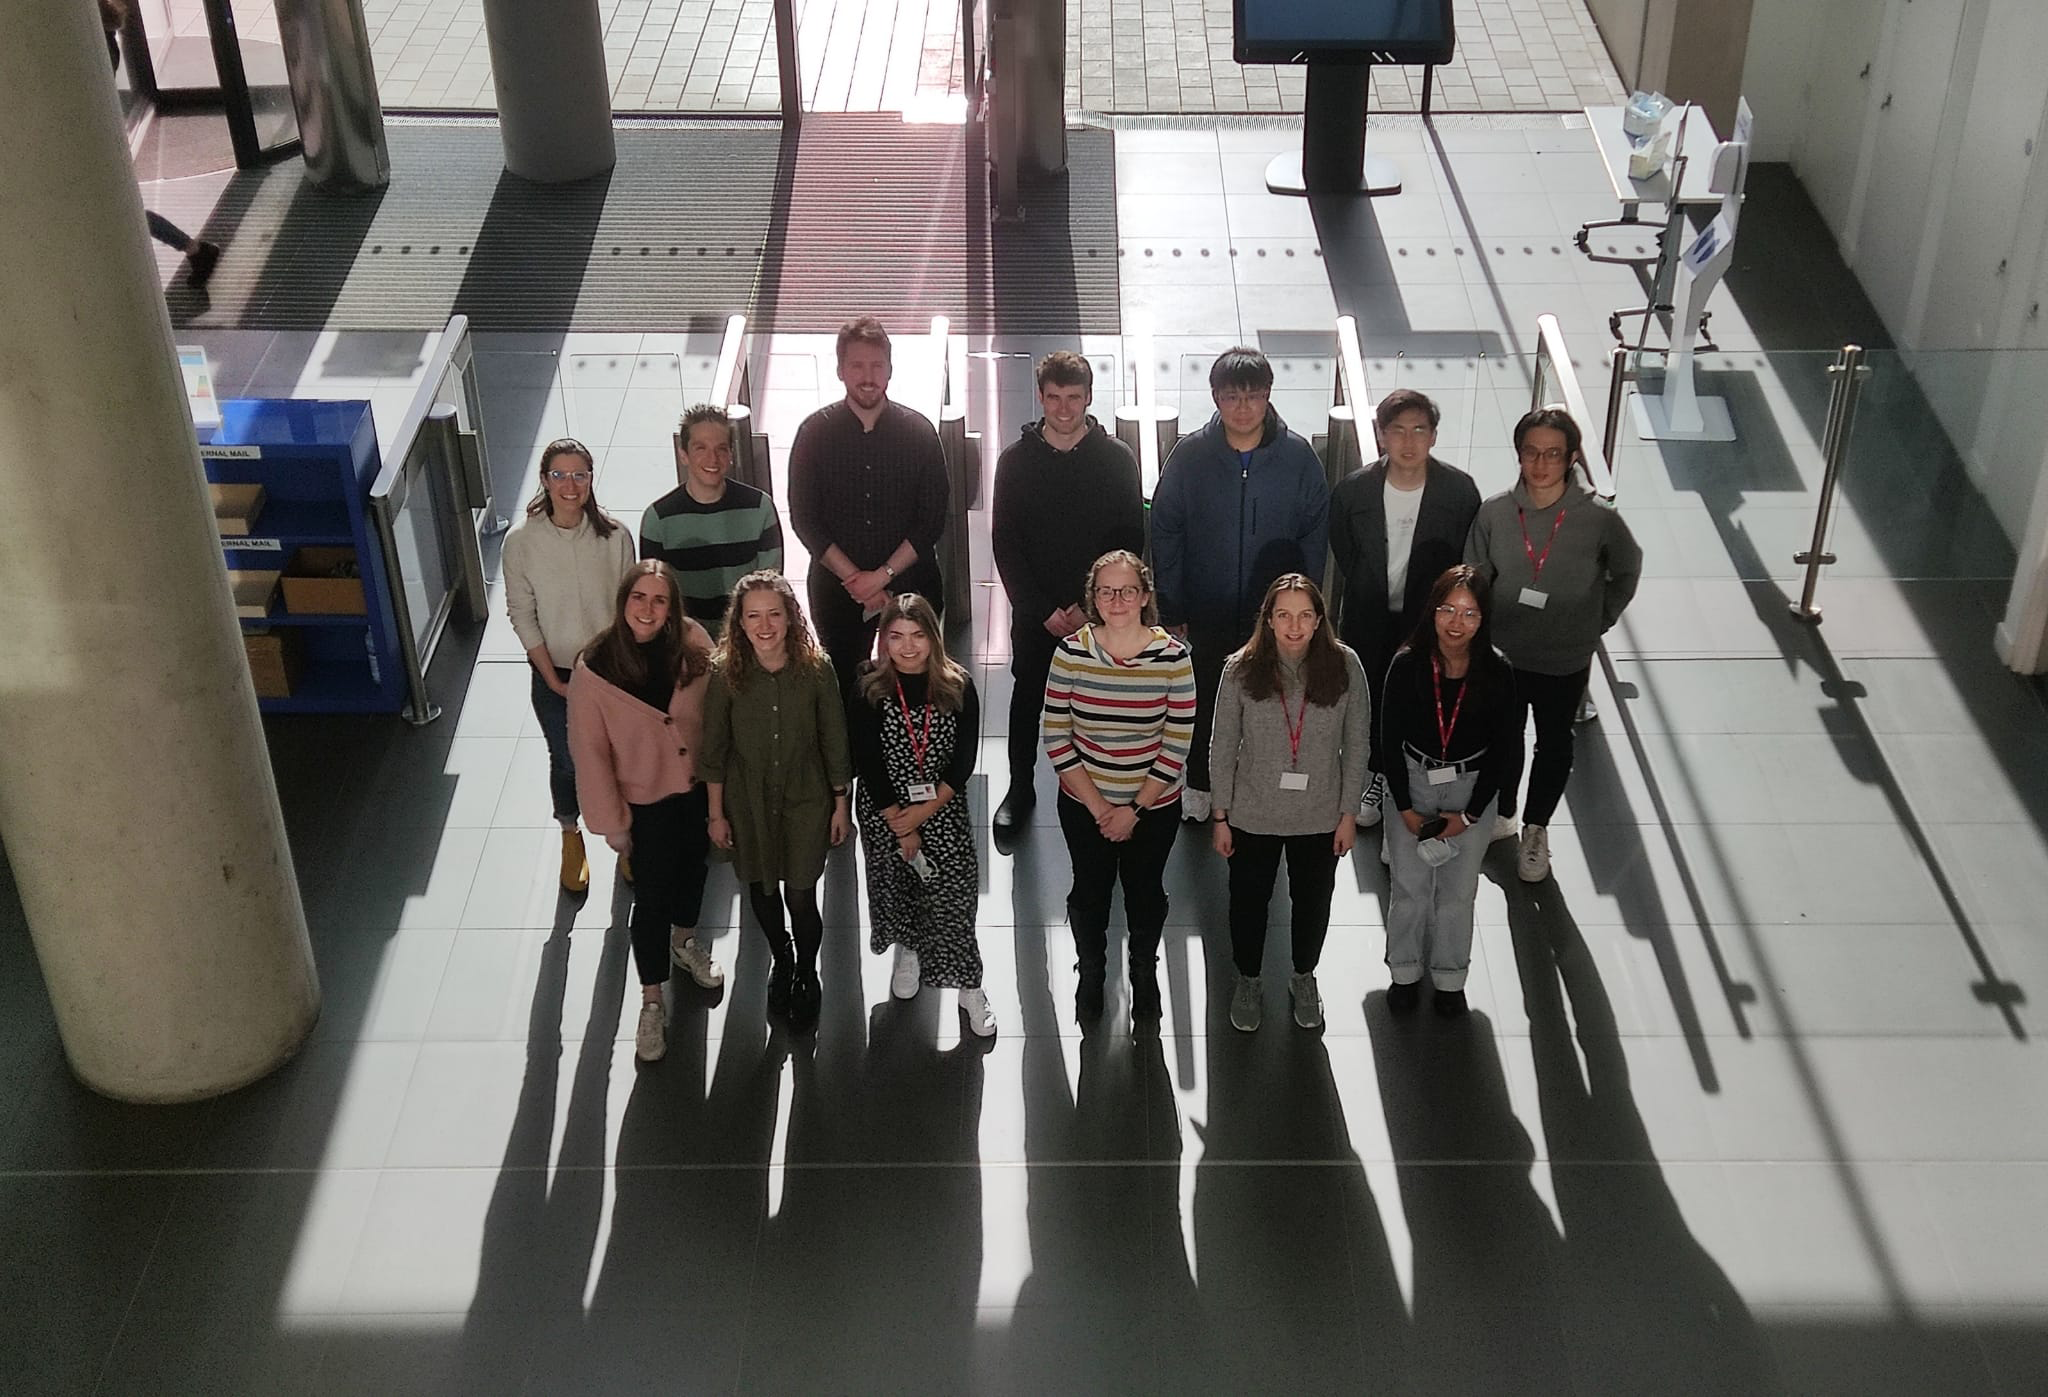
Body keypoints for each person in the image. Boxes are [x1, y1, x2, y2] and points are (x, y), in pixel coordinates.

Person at [1465, 407, 1643, 882]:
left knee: (1553, 743)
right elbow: (1476, 576)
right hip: (1503, 652)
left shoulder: (1599, 518)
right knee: (1503, 738)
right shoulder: (1496, 512)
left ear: (1570, 459)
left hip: (1564, 657)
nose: (1541, 464)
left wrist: (1597, 621)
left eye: (1553, 454)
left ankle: (1536, 828)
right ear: (1519, 455)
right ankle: (1503, 811)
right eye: (1531, 452)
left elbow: (1627, 569)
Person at [1151, 347, 1329, 820]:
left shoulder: (1298, 459)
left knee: (1270, 700)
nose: (1244, 407)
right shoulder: (1190, 456)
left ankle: (1259, 785)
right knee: (1202, 697)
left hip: (1271, 615)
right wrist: (1171, 606)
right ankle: (1201, 781)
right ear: (1216, 398)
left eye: (1254, 395)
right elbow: (1165, 529)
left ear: (1269, 395)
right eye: (1232, 397)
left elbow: (1314, 532)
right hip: (1205, 608)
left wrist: (1305, 610)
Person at [566, 562, 721, 1063]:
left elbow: (717, 714)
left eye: (660, 600)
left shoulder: (694, 641)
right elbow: (589, 755)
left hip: (696, 791)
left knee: (694, 871)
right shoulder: (595, 668)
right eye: (639, 598)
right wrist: (612, 826)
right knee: (650, 899)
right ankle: (652, 998)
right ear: (623, 601)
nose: (649, 610)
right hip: (643, 804)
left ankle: (686, 941)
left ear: (672, 607)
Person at [989, 350, 1146, 845]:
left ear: (1089, 398)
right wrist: (1038, 608)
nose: (1062, 408)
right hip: (1038, 616)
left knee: (1106, 703)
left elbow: (1128, 538)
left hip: (1102, 615)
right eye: (1053, 397)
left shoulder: (1117, 459)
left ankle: (1109, 792)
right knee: (1027, 699)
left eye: (1073, 398)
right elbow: (1005, 539)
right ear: (1040, 397)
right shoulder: (1014, 462)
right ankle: (1019, 788)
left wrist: (1091, 607)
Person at [1208, 574, 1371, 1032]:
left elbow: (1357, 743)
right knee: (1248, 902)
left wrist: (1348, 814)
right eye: (1284, 615)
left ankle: (1304, 975)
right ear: (1269, 619)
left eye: (1304, 615)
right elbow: (1222, 746)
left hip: (1320, 816)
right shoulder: (1240, 669)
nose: (1294, 626)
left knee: (1314, 902)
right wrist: (1220, 815)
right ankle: (1248, 978)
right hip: (1252, 814)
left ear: (1319, 620)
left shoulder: (1345, 666)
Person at [1041, 550, 1196, 1025]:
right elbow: (1056, 734)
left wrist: (1133, 809)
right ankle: (1092, 971)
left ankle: (1143, 971)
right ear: (1093, 597)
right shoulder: (1070, 652)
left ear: (1145, 595)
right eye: (1106, 590)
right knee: (1089, 893)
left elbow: (1177, 743)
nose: (1117, 599)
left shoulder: (1173, 658)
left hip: (1153, 807)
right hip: (1084, 806)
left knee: (1145, 893)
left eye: (1128, 589)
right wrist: (1099, 808)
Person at [700, 571, 853, 1031]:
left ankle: (807, 971)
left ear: (790, 617)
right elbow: (714, 747)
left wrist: (840, 803)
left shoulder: (817, 668)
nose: (764, 625)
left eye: (773, 614)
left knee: (802, 894)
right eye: (753, 616)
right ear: (739, 623)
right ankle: (781, 958)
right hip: (746, 802)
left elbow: (834, 739)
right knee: (762, 889)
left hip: (807, 798)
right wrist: (715, 814)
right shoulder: (724, 671)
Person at [1328, 389, 1480, 826]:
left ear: (1433, 436)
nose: (1408, 442)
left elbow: (1464, 562)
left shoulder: (1458, 491)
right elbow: (1346, 551)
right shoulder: (1354, 490)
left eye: (1419, 430)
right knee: (1371, 696)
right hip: (1369, 614)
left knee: (1421, 696)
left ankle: (1410, 783)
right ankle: (1374, 774)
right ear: (1381, 435)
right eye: (1397, 431)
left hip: (1427, 619)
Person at [847, 593, 994, 1036]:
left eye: (917, 636)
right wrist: (899, 820)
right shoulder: (869, 687)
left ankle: (969, 984)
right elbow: (867, 762)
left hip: (941, 807)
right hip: (884, 810)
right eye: (896, 637)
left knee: (954, 894)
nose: (908, 647)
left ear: (934, 637)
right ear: (883, 640)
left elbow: (963, 762)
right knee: (896, 888)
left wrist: (922, 815)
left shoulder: (958, 684)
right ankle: (908, 949)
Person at [1379, 565, 1520, 1017]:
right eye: (1448, 610)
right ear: (1433, 611)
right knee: (1409, 889)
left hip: (1471, 785)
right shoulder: (1407, 664)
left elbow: (1505, 748)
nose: (1456, 623)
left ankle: (1450, 979)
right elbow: (1386, 738)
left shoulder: (1497, 670)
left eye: (1470, 614)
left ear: (1483, 619)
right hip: (1413, 779)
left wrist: (1472, 816)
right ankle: (1403, 972)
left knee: (1459, 893)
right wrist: (1403, 806)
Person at [787, 316, 952, 699]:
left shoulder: (919, 433)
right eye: (858, 366)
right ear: (841, 370)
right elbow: (805, 519)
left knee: (916, 689)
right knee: (846, 690)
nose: (868, 376)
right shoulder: (814, 433)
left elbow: (931, 520)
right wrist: (857, 582)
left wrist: (882, 577)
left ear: (890, 370)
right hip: (836, 593)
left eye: (877, 366)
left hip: (913, 587)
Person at [501, 438, 637, 893]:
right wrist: (552, 679)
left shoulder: (615, 537)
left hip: (610, 673)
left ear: (591, 479)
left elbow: (629, 609)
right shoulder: (521, 542)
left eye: (579, 475)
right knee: (567, 760)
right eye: (559, 475)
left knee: (619, 759)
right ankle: (570, 834)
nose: (570, 485)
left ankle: (625, 841)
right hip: (554, 673)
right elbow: (521, 613)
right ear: (544, 480)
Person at [100, 0, 220, 287]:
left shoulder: (100, 48)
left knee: (123, 212)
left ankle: (195, 250)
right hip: (103, 143)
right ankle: (195, 250)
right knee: (125, 210)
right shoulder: (105, 44)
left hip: (95, 149)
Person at [638, 403, 783, 638]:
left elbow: (769, 588)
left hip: (750, 639)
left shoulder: (760, 507)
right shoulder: (658, 519)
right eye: (700, 448)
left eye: (721, 449)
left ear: (731, 454)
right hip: (687, 643)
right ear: (683, 454)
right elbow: (657, 596)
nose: (712, 458)